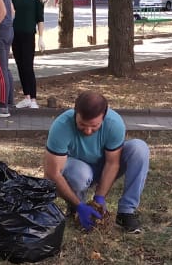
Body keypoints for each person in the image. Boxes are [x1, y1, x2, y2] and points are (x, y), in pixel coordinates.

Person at [43, 90, 150, 233]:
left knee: (139, 148)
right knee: (79, 173)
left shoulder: (114, 123)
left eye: (94, 126)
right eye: (82, 124)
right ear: (75, 113)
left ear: (104, 116)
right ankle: (75, 208)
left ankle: (126, 212)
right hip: (78, 170)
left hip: (104, 166)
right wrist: (79, 205)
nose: (87, 131)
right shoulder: (61, 126)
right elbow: (52, 173)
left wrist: (99, 198)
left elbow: (113, 163)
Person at [12, 0, 45, 109]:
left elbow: (40, 19)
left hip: (28, 35)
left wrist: (41, 37)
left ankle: (33, 99)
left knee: (28, 66)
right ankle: (26, 97)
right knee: (20, 66)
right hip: (15, 35)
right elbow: (10, 12)